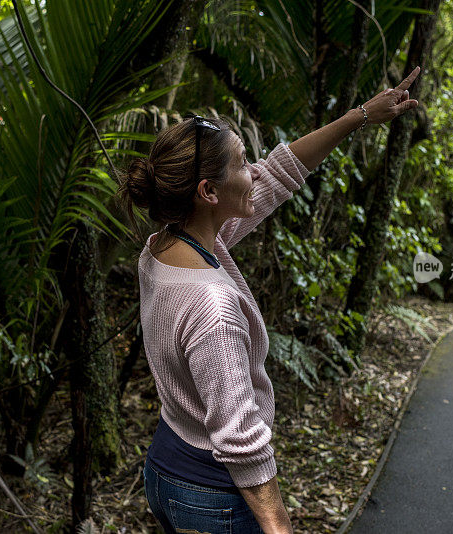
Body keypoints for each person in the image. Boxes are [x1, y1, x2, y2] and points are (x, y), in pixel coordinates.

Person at [117, 66, 421, 534]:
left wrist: (359, 116)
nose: (254, 172)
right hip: (211, 495)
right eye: (242, 164)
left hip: (166, 467)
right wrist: (279, 526)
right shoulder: (212, 305)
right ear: (209, 192)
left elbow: (279, 173)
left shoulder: (165, 245)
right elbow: (241, 439)